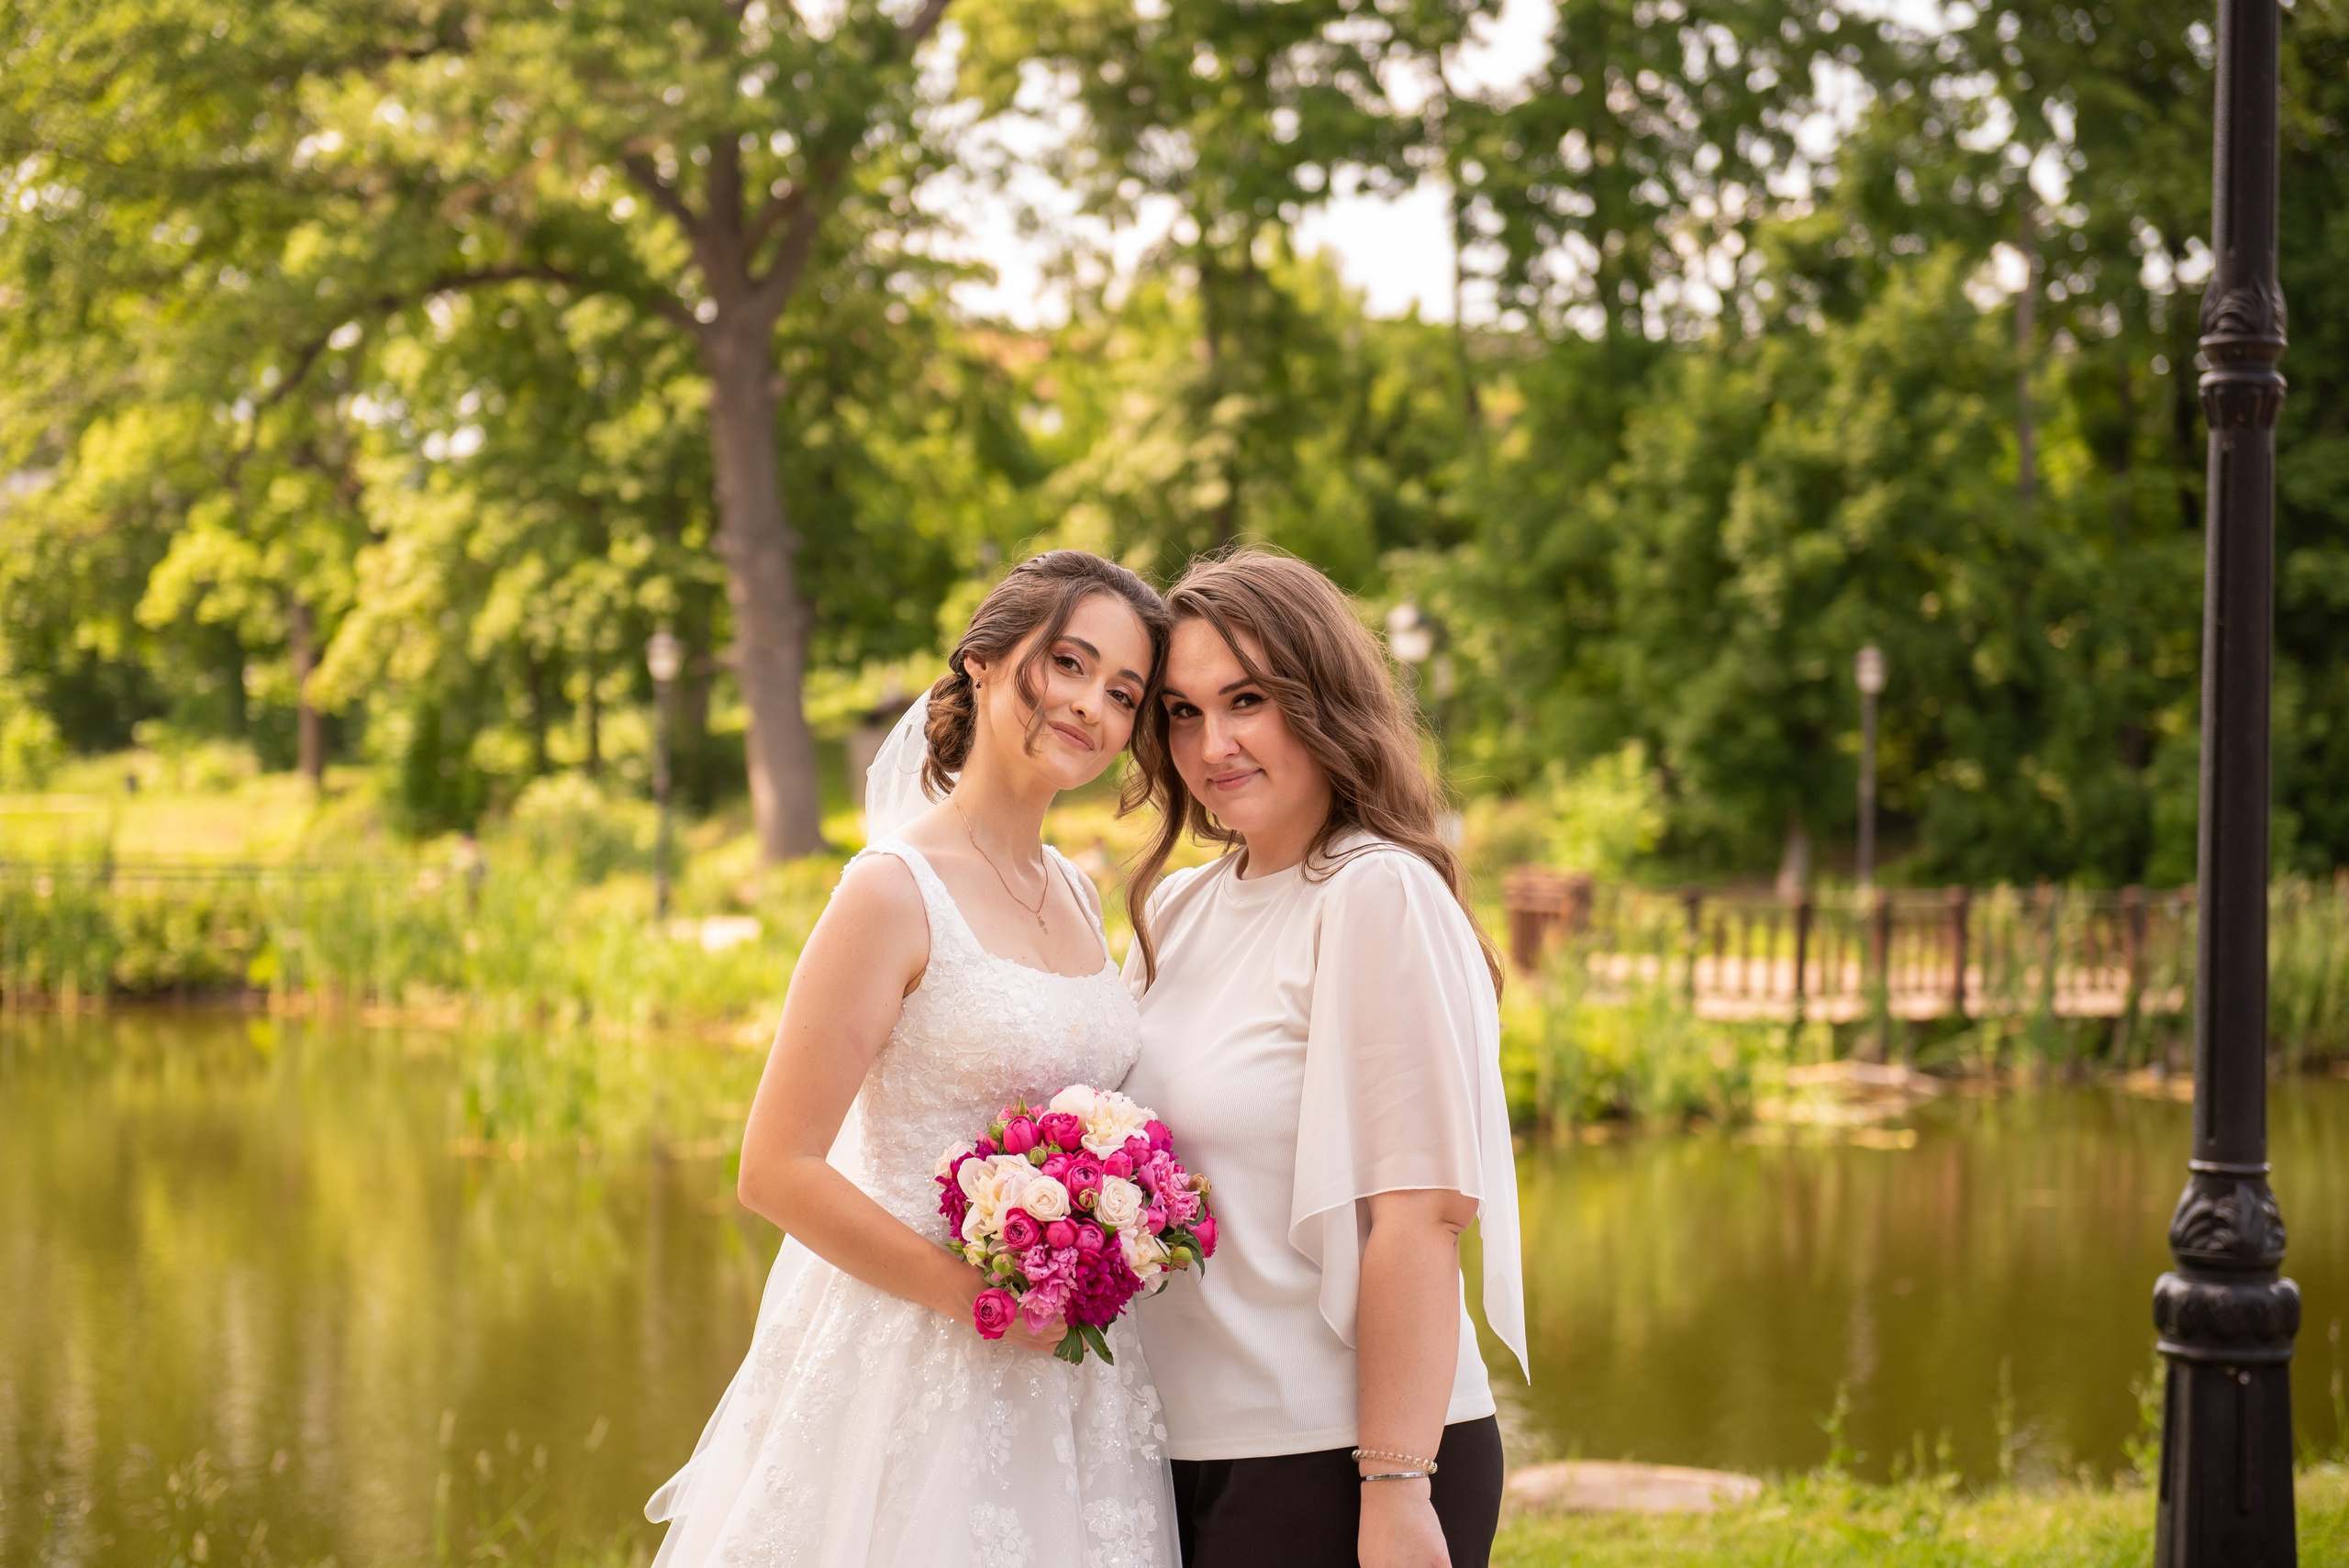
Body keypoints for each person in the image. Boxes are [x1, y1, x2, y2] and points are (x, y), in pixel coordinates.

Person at [646, 550, 1180, 1568]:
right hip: (912, 1354)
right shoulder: (891, 891)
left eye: (1123, 692)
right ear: (983, 661)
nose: (1092, 707)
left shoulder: (1073, 889)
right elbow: (775, 1167)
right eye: (1067, 663)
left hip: (1075, 1374)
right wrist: (976, 1299)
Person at [1119, 550, 1526, 1568]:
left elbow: (1421, 1212)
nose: (1213, 743)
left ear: (1320, 698)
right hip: (1172, 1446)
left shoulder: (1372, 893)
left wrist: (1394, 1484)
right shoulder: (1177, 908)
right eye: (1180, 710)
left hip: (1333, 1455)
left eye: (1246, 698)